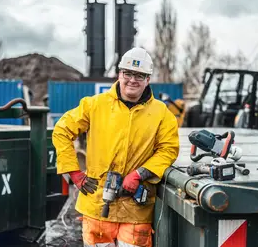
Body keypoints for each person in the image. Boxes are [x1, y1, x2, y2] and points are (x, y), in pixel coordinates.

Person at [52, 47, 180, 247]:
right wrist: (74, 173)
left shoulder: (162, 114)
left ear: (148, 79)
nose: (132, 80)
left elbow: (168, 150)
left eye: (139, 75)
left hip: (136, 210)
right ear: (119, 74)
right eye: (127, 73)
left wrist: (139, 174)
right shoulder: (94, 105)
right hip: (97, 206)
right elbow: (61, 131)